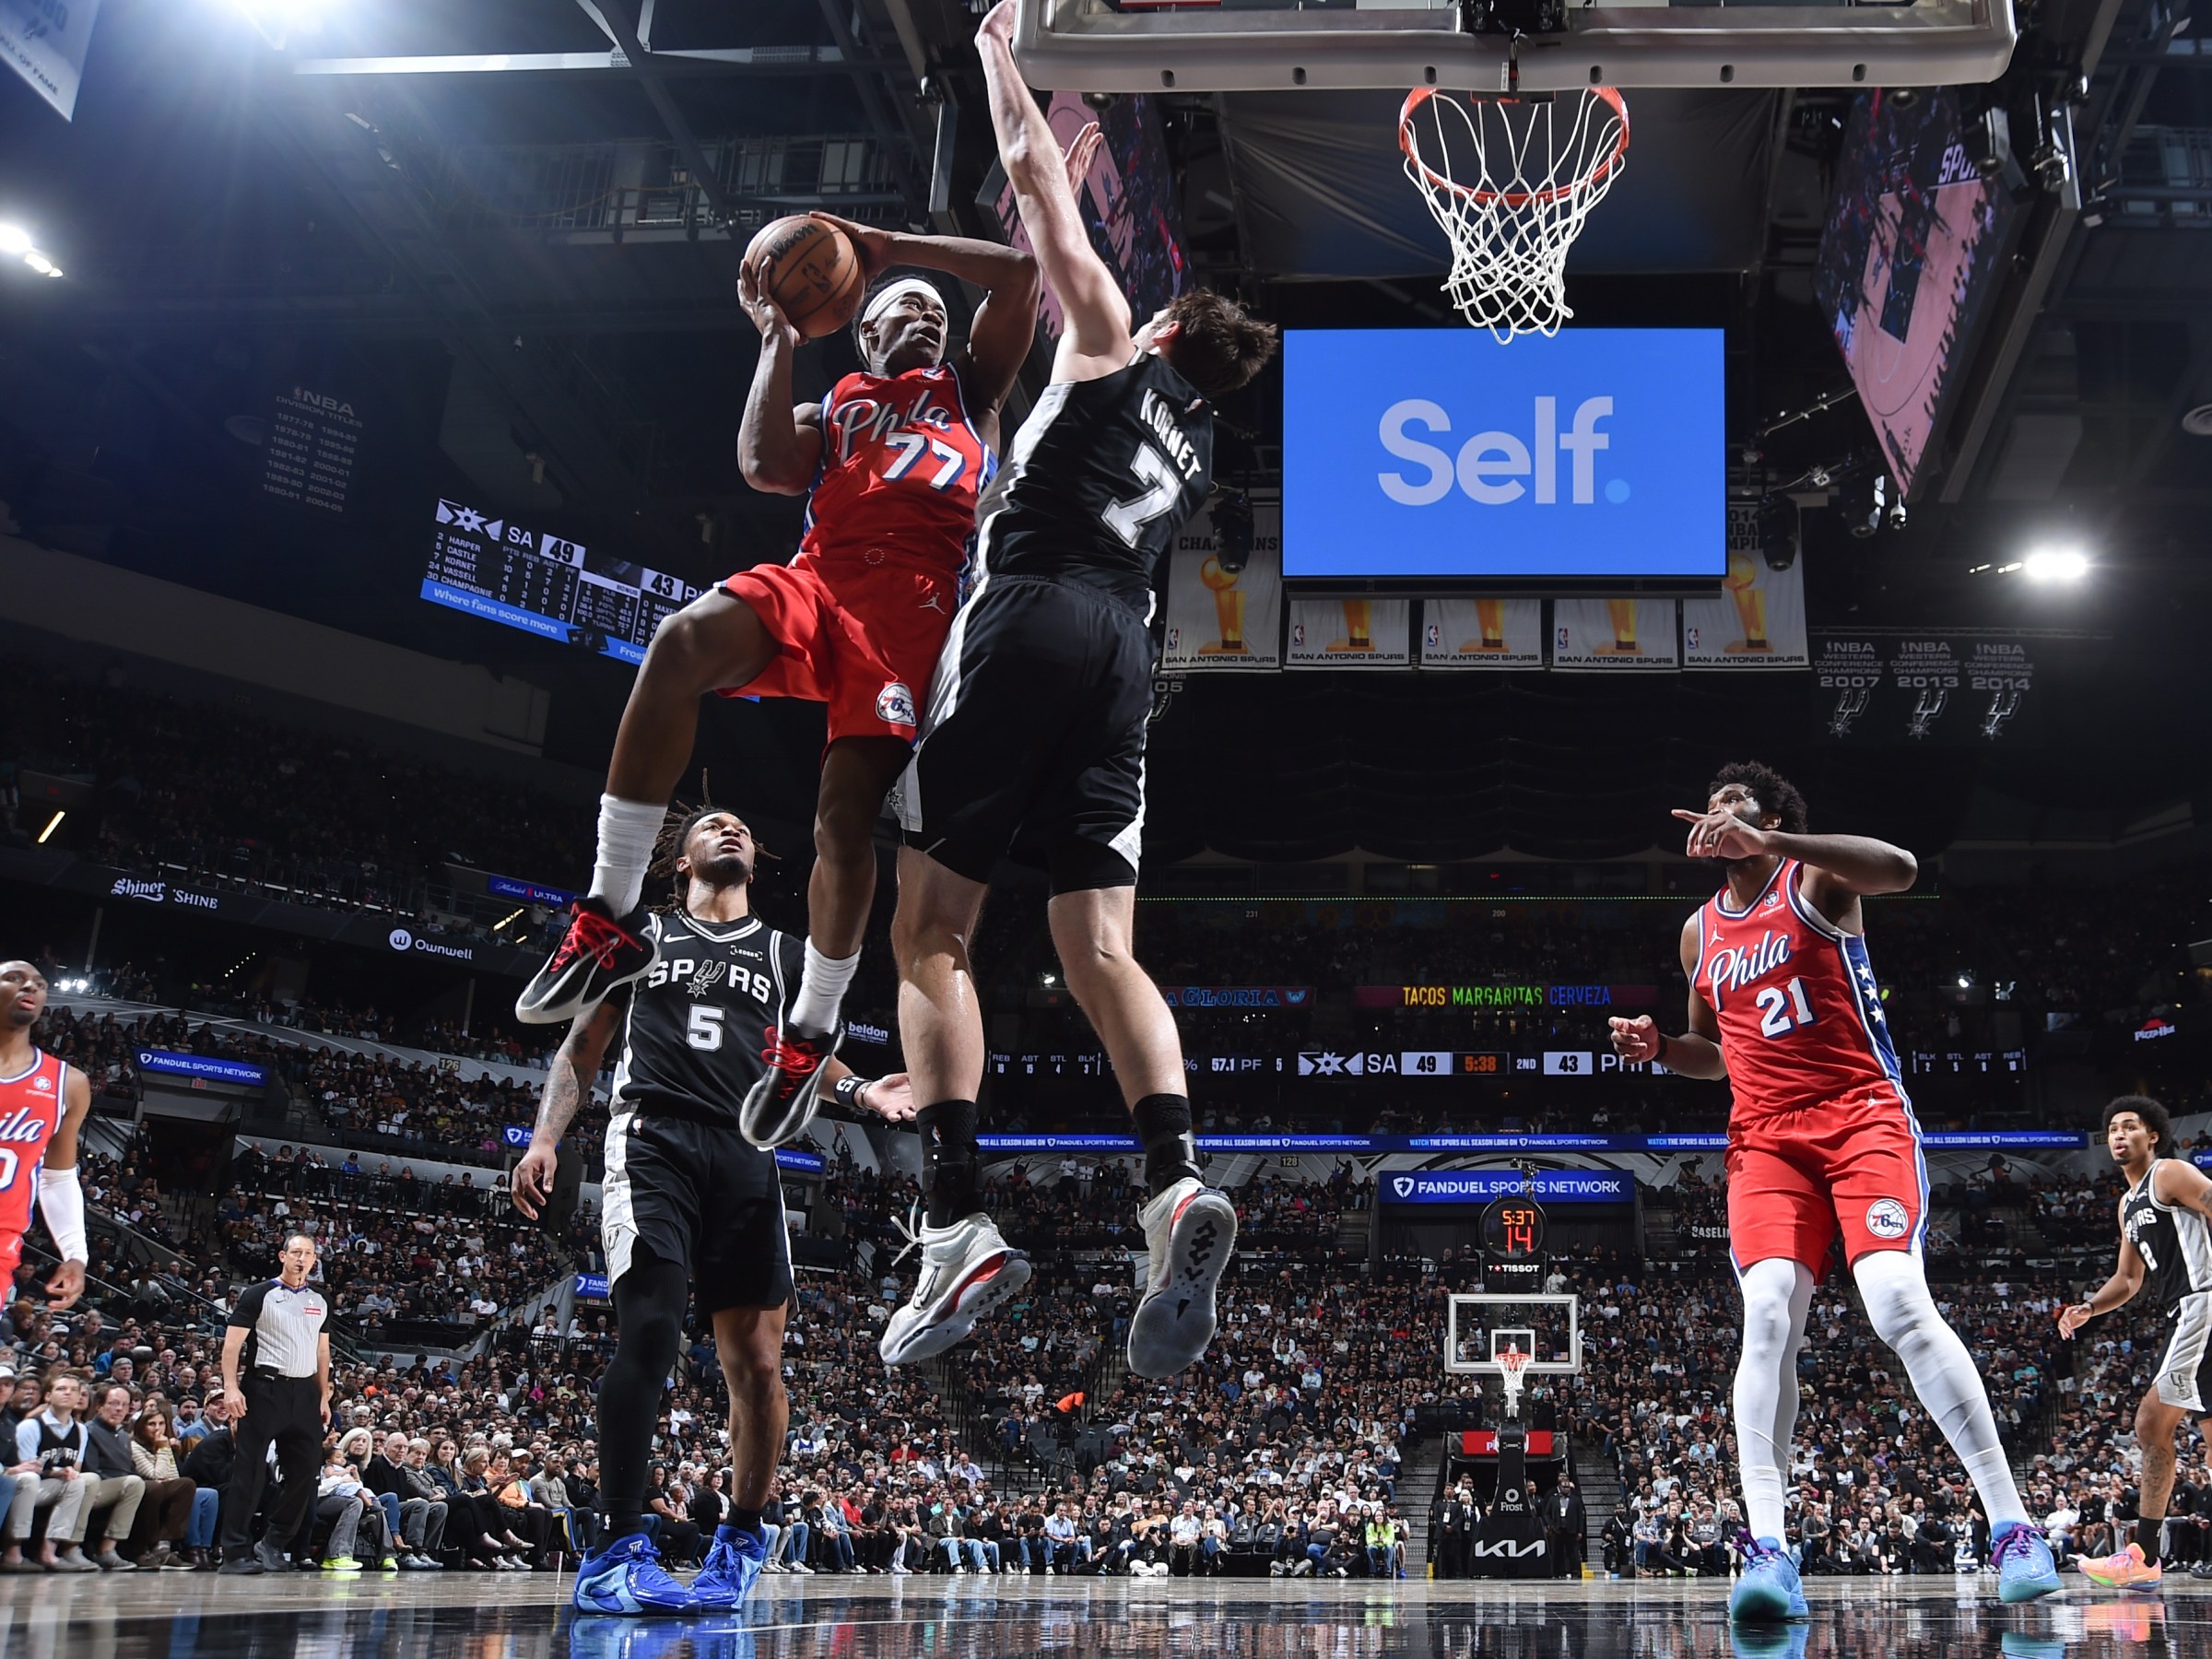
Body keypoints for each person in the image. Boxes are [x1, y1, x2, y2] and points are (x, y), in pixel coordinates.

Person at [880, 1, 1279, 1381]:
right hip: (1126, 657)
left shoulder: (1114, 336)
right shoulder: (1196, 442)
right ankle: (1172, 1181)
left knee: (930, 931)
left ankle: (952, 1220)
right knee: (1098, 948)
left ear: (1168, 324)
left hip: (1034, 613)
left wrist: (998, 53)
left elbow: (1044, 191)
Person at [513, 203, 1040, 1140]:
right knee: (678, 643)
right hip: (818, 580)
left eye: (935, 316)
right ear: (861, 332)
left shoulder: (975, 393)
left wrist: (892, 251)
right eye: (901, 312)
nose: (924, 320)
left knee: (842, 824)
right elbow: (761, 467)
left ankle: (809, 1032)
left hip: (910, 615)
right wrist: (774, 337)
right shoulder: (831, 405)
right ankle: (611, 909)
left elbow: (1018, 274)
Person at [1608, 761, 2061, 1619]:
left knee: (1895, 1300)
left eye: (1734, 804)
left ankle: (2013, 1529)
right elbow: (1717, 1054)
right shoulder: (1698, 933)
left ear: (1774, 816)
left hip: (1860, 1118)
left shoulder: (1814, 876)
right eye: (1711, 809)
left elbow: (1902, 867)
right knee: (1770, 1311)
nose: (1717, 817)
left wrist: (1769, 841)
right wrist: (1660, 1047)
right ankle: (1768, 1549)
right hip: (1765, 1138)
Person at [512, 805, 915, 1615]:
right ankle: (617, 1547)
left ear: (757, 864)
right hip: (653, 1138)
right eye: (711, 826)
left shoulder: (783, 953)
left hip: (747, 1154)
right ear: (681, 861)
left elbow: (809, 1055)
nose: (730, 830)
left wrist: (864, 1088)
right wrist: (545, 1136)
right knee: (654, 1330)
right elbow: (583, 1045)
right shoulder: (640, 938)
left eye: (740, 826)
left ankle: (741, 1537)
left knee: (760, 1367)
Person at [2061, 1095, 2212, 1588]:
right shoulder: (2128, 1204)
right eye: (2112, 1130)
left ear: (2153, 1136)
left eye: (2130, 1127)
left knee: (2150, 1423)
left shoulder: (2169, 1173)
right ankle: (2144, 1559)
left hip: (2202, 1302)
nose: (2119, 1135)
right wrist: (2088, 1307)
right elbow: (2128, 1280)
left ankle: (2143, 1558)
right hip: (2182, 1313)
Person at [216, 1231, 333, 1575]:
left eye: (308, 1253)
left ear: (314, 1261)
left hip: (305, 1393)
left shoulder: (321, 1299)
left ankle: (274, 1542)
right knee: (249, 1473)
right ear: (282, 1256)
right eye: (295, 1252)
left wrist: (323, 1395)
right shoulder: (259, 1294)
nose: (301, 1258)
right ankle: (234, 1553)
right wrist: (231, 1387)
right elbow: (232, 1345)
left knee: (307, 1473)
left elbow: (322, 1351)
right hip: (264, 1389)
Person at [0, 963, 93, 1312]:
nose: (29, 987)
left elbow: (56, 1179)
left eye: (39, 984)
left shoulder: (67, 1084)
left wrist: (76, 1255)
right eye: (14, 978)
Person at [5, 1371, 98, 1572]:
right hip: (23, 1486)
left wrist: (67, 1474)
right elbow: (25, 1468)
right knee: (29, 1478)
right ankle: (13, 1551)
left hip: (45, 1486)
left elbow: (76, 1468)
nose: (68, 1393)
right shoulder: (31, 1425)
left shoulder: (81, 1430)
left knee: (77, 1482)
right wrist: (54, 1473)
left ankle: (49, 1551)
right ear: (48, 1396)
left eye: (74, 1390)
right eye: (61, 1389)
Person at [77, 1379, 147, 1570]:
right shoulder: (89, 1430)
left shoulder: (123, 1434)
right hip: (96, 1486)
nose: (119, 1409)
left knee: (152, 1487)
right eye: (114, 1404)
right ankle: (106, 1550)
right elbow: (91, 1469)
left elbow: (129, 1468)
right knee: (134, 1484)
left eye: (124, 1405)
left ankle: (150, 1549)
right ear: (99, 1407)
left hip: (120, 1484)